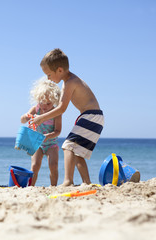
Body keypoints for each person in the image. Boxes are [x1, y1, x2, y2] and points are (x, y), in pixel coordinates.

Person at [30, 48, 104, 185]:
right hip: (94, 117)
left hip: (91, 116)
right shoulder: (69, 81)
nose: (48, 78)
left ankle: (68, 181)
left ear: (59, 70)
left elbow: (62, 108)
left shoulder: (70, 82)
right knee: (77, 152)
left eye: (49, 75)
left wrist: (42, 118)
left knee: (68, 146)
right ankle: (87, 182)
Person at [21, 78, 62, 186]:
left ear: (54, 101)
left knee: (53, 165)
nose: (44, 106)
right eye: (42, 102)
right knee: (35, 166)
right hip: (37, 142)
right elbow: (22, 120)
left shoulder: (56, 113)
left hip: (51, 143)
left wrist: (47, 136)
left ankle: (53, 187)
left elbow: (58, 131)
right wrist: (25, 117)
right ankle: (31, 187)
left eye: (48, 103)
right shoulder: (36, 109)